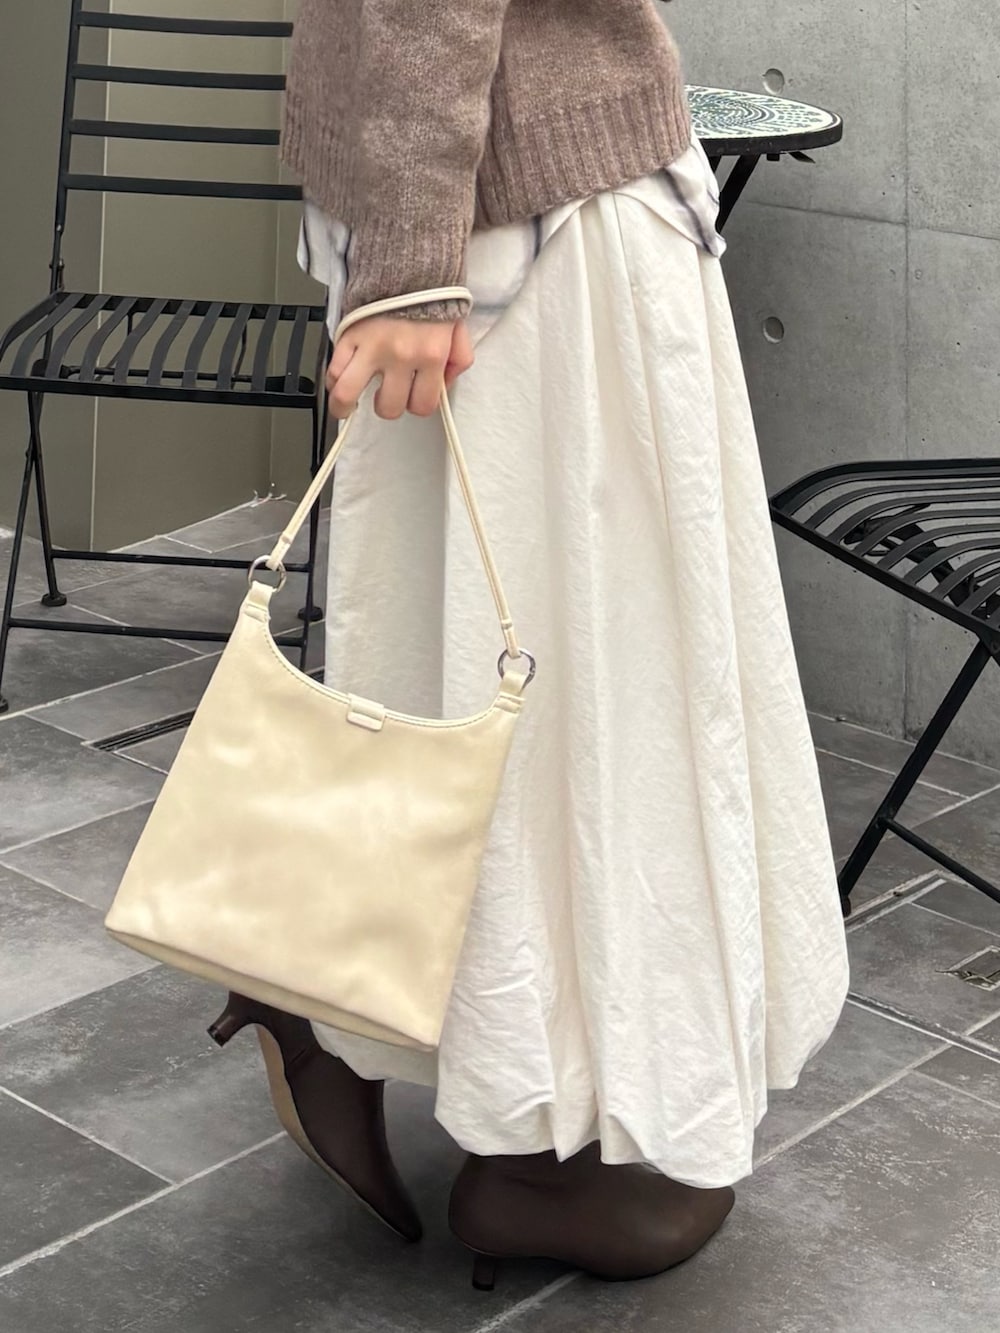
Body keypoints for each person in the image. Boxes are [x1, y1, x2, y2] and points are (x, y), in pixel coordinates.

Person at [210, 0, 850, 1290]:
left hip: (509, 189)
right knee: (588, 670)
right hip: (527, 219)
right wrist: (413, 258)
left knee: (469, 649)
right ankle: (535, 1117)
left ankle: (336, 979)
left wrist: (406, 238)